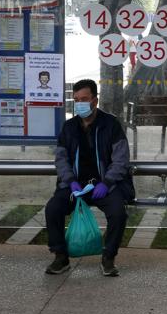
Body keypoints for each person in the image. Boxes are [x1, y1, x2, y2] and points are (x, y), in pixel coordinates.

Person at [44, 79, 135, 276]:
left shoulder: (111, 124)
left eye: (84, 99)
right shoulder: (69, 127)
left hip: (104, 185)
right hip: (75, 186)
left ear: (95, 100)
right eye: (76, 99)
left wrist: (107, 182)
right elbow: (61, 159)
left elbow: (121, 159)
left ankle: (108, 258)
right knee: (53, 209)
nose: (80, 104)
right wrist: (70, 181)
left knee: (118, 213)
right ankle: (60, 256)